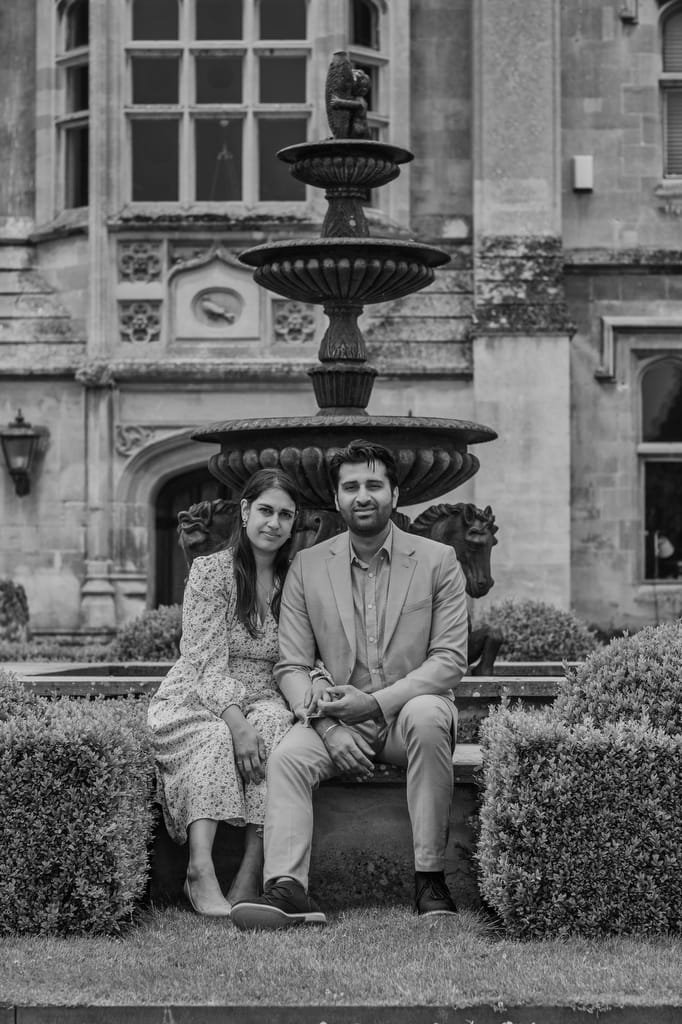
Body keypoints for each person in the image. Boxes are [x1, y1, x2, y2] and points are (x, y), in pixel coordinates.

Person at [230, 440, 469, 930]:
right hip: (336, 717)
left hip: (408, 716)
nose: (363, 495)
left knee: (427, 716)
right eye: (351, 487)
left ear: (394, 495)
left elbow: (449, 661)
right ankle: (288, 889)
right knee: (288, 756)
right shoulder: (307, 566)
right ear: (337, 500)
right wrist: (327, 727)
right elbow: (291, 667)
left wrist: (375, 704)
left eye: (373, 485)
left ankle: (430, 878)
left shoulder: (438, 560)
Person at [147, 467, 301, 917]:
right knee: (217, 737)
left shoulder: (297, 581)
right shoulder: (210, 572)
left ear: (294, 523)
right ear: (246, 511)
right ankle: (199, 869)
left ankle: (253, 870)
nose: (274, 523)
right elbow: (204, 659)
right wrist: (236, 723)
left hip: (266, 695)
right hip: (197, 692)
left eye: (286, 515)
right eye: (266, 511)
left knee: (275, 725)